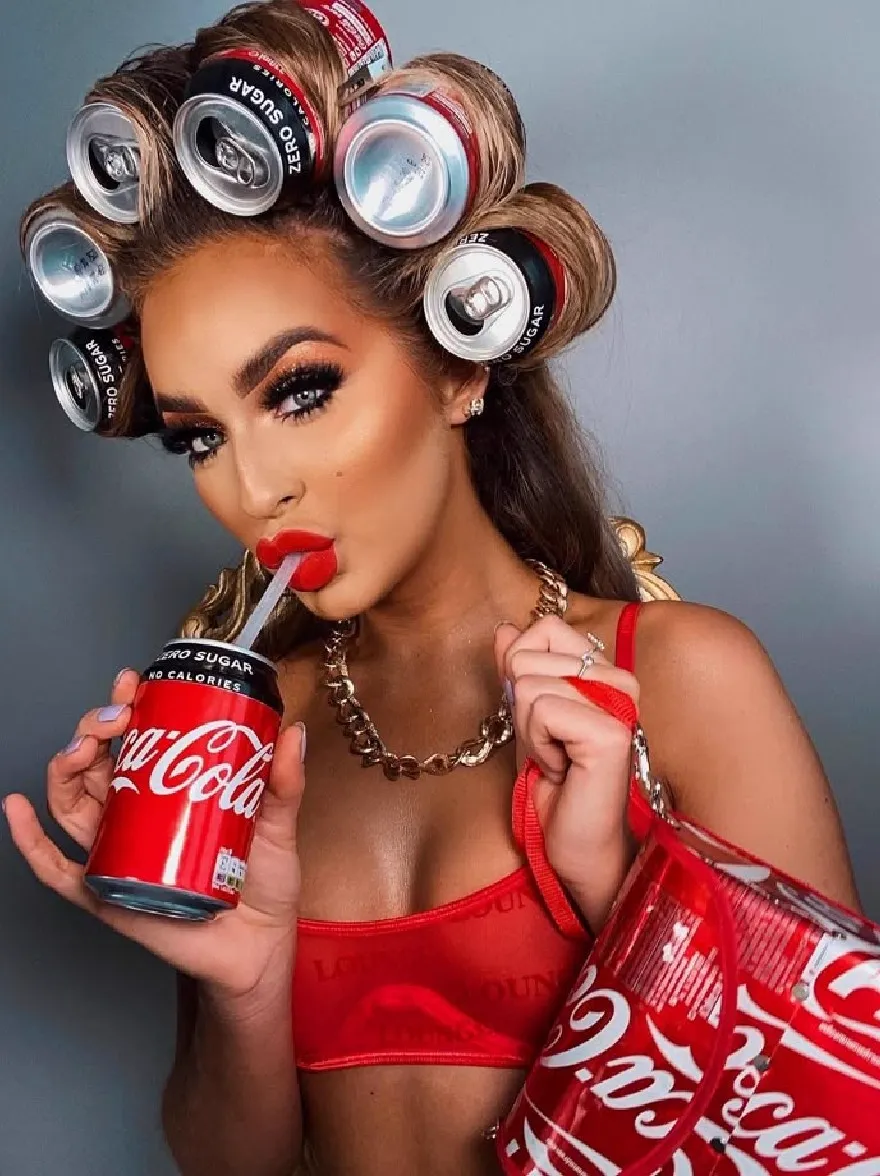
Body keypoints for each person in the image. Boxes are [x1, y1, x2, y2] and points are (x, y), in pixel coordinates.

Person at [4, 3, 860, 1174]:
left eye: (299, 391)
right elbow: (225, 1160)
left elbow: (838, 1112)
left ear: (458, 370)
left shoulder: (679, 680)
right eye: (195, 437)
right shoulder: (265, 732)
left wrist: (616, 893)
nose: (252, 487)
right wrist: (244, 981)